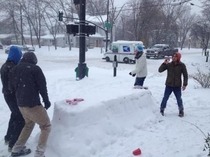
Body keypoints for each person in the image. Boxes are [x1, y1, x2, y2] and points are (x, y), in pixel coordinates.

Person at [10, 52, 51, 157]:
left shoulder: (15, 69)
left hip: (21, 105)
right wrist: (46, 101)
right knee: (46, 126)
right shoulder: (35, 69)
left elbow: (11, 88)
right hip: (32, 105)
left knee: (28, 125)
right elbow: (42, 87)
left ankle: (16, 149)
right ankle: (39, 153)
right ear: (34, 60)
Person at [0, 46, 25, 152]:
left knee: (14, 115)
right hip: (12, 96)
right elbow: (14, 85)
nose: (20, 57)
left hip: (7, 95)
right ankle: (13, 144)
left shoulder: (5, 65)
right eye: (19, 55)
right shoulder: (12, 67)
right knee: (20, 118)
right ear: (16, 55)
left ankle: (8, 137)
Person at [158, 52, 188, 117]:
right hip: (169, 85)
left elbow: (185, 75)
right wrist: (164, 63)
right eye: (173, 56)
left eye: (175, 56)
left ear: (178, 58)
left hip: (177, 86)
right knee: (165, 98)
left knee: (179, 99)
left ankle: (181, 110)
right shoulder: (169, 64)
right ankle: (161, 109)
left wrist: (185, 84)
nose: (174, 57)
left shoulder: (182, 65)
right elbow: (160, 70)